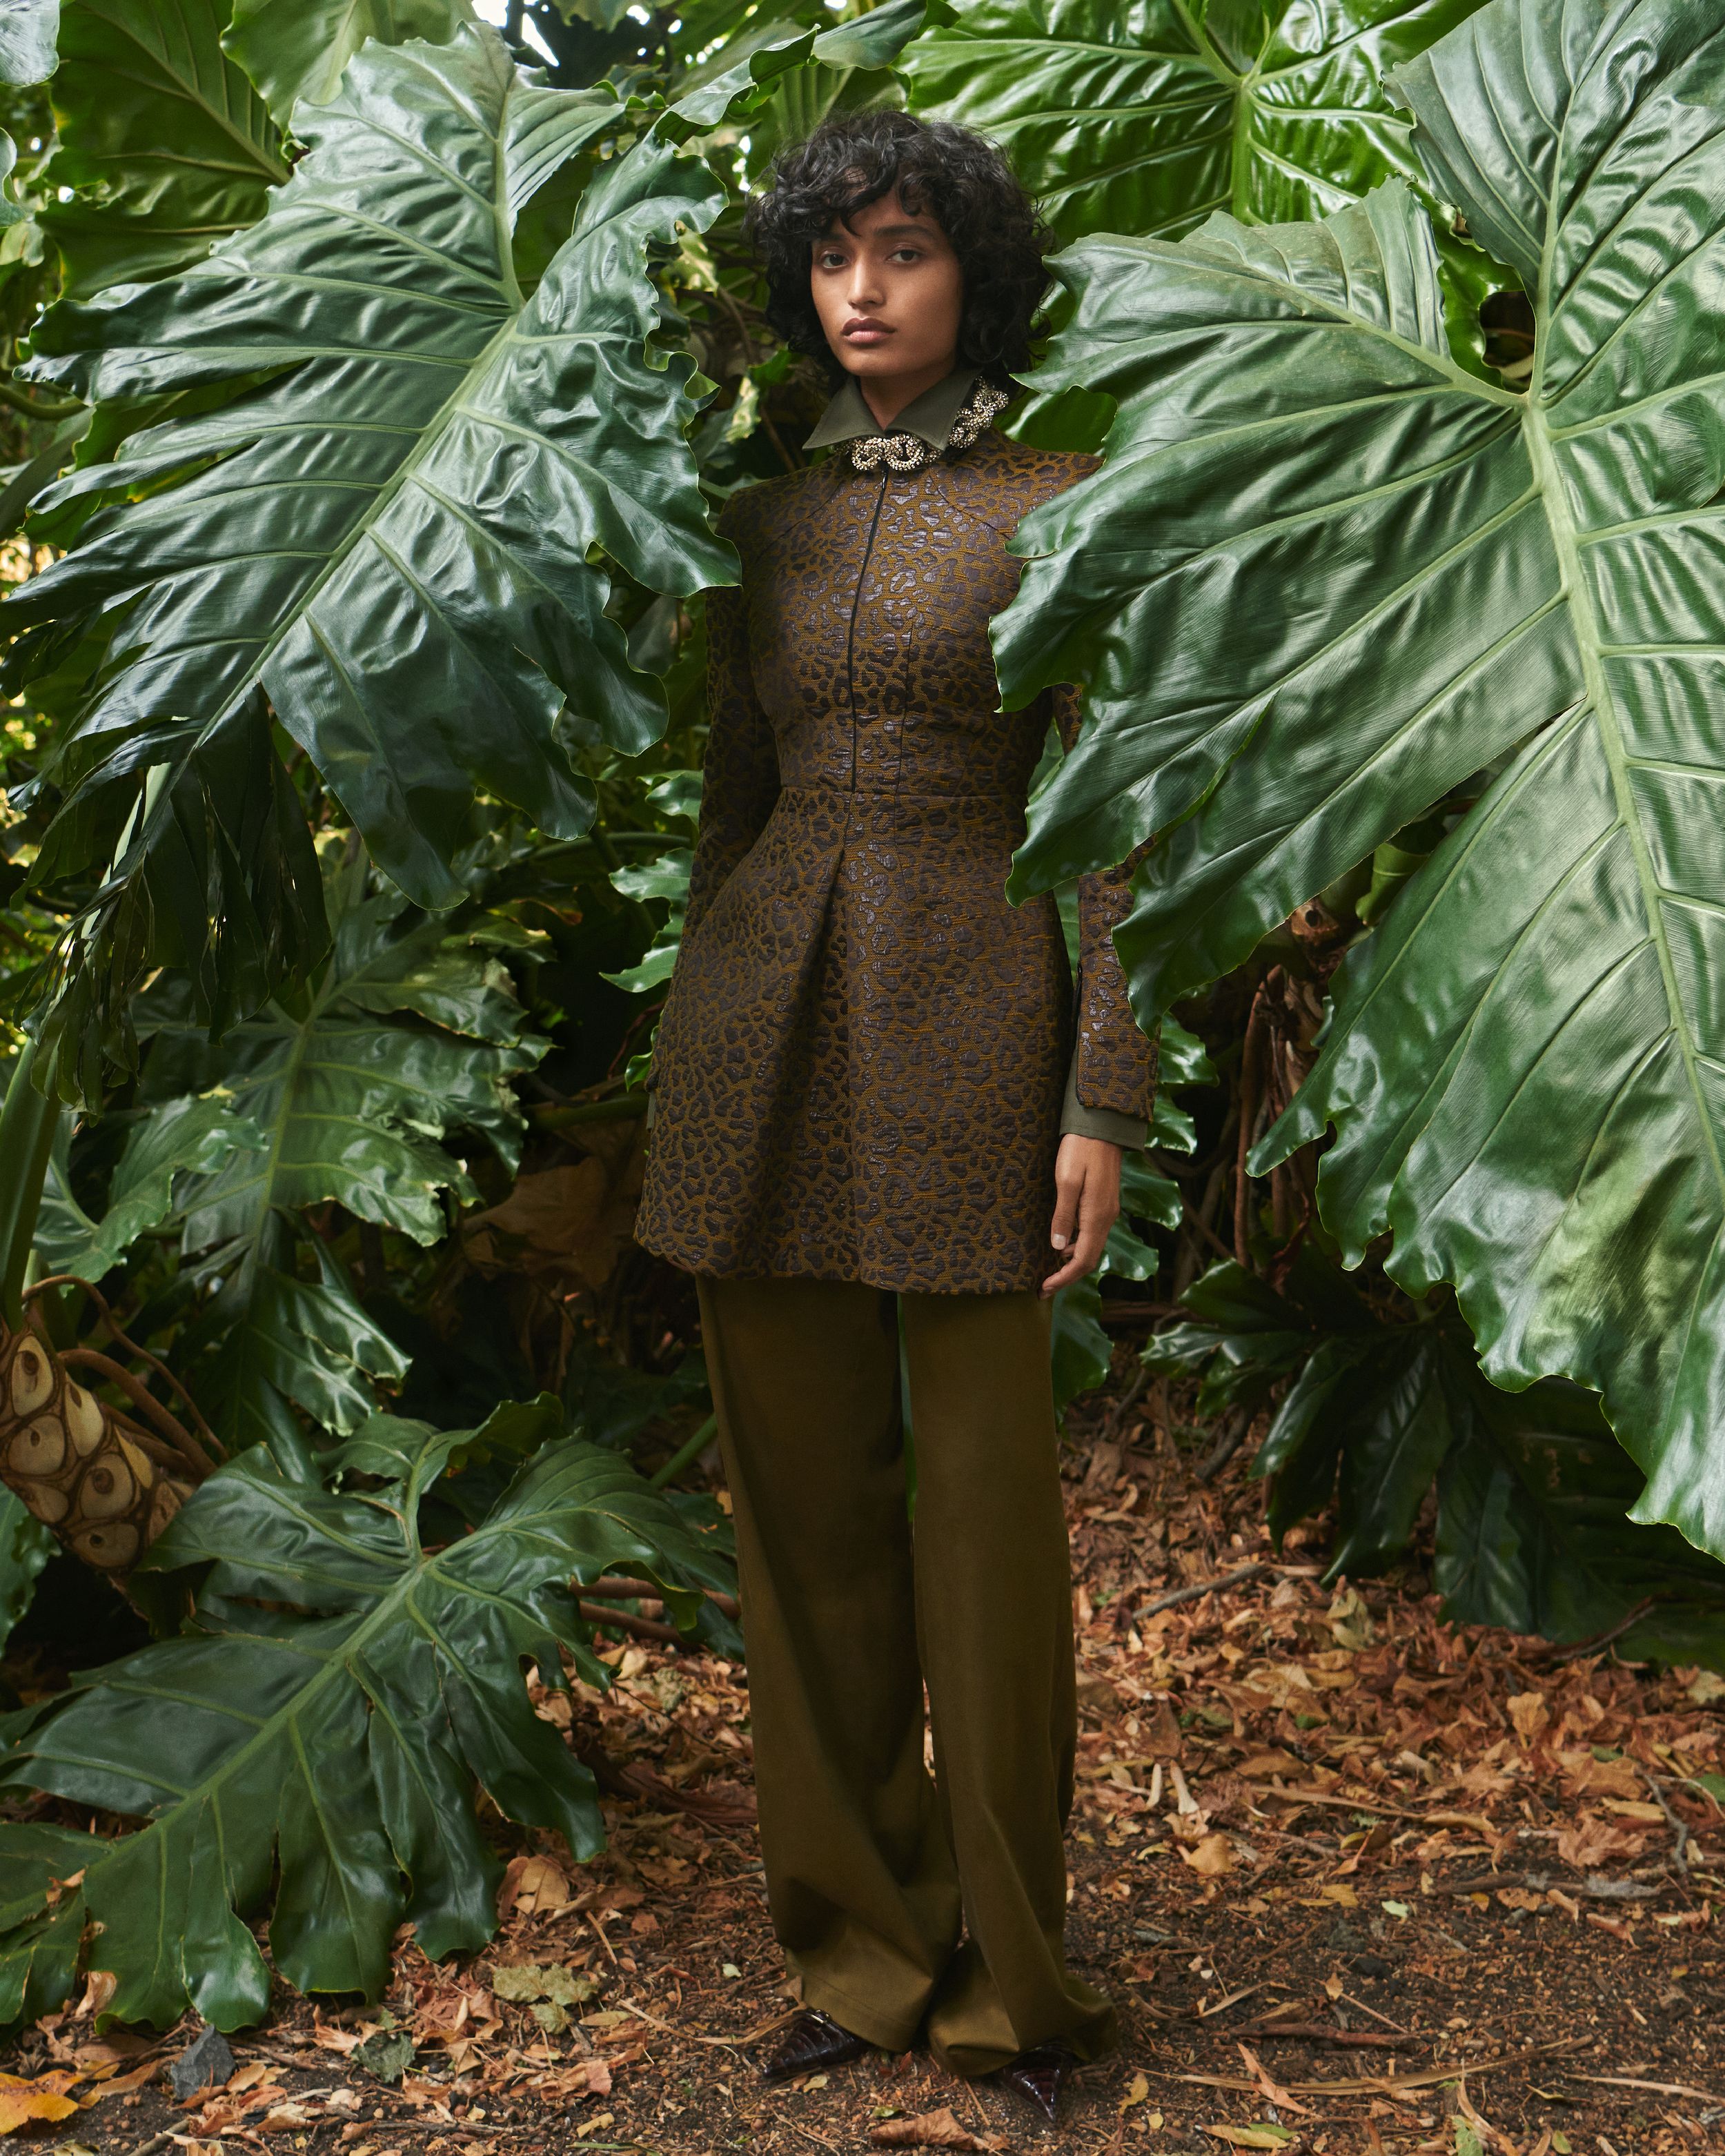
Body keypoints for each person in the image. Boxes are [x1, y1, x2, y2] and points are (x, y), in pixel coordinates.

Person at [633, 108, 1156, 2125]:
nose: (863, 287)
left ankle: (1015, 1984)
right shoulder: (758, 528)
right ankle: (860, 1953)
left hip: (973, 1039)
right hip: (758, 1052)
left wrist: (1100, 1091)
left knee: (978, 1533)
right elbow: (726, 821)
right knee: (807, 1532)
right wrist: (696, 1057)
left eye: (905, 249)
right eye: (835, 254)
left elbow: (1109, 826)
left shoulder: (1066, 499)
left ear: (973, 276)